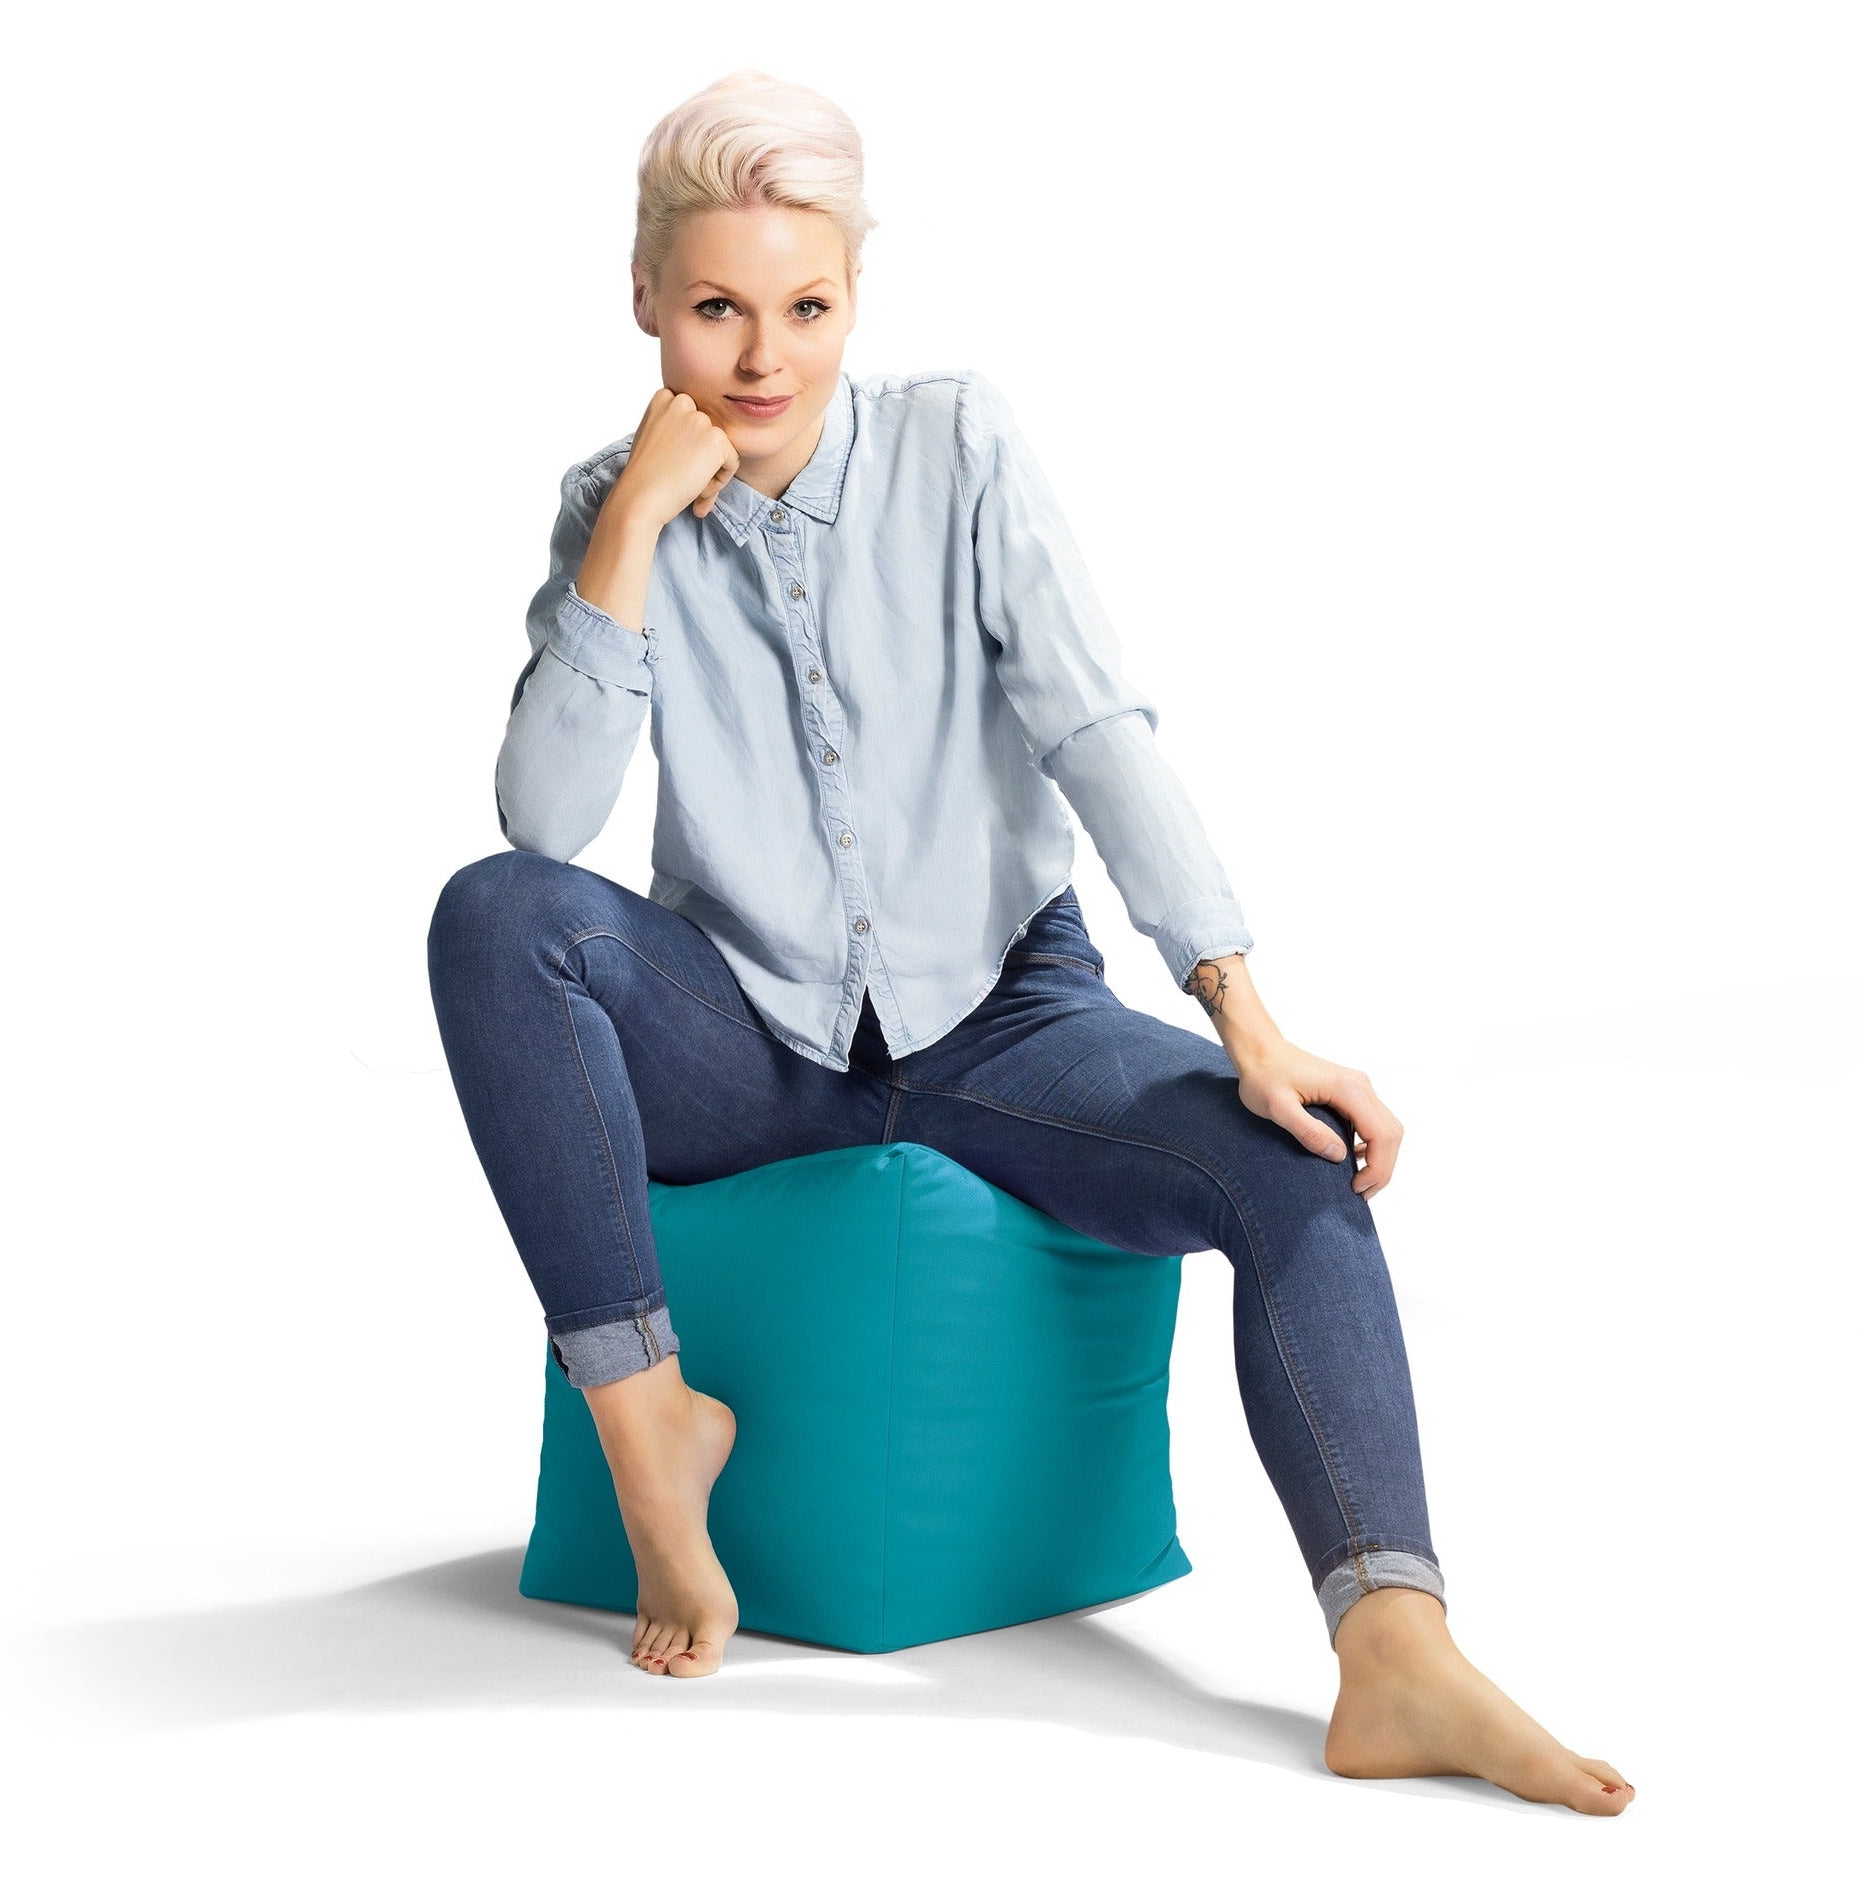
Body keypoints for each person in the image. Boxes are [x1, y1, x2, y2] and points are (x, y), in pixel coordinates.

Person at [426, 69, 1634, 1815]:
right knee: (495, 915)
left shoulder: (959, 446)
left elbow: (1096, 728)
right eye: (715, 309)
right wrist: (628, 531)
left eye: (807, 307)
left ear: (855, 297)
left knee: (1289, 1161)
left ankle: (1396, 1651)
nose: (763, 358)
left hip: (1005, 1024)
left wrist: (1247, 1015)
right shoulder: (607, 505)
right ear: (646, 305)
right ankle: (650, 1432)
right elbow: (545, 823)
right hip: (746, 1048)